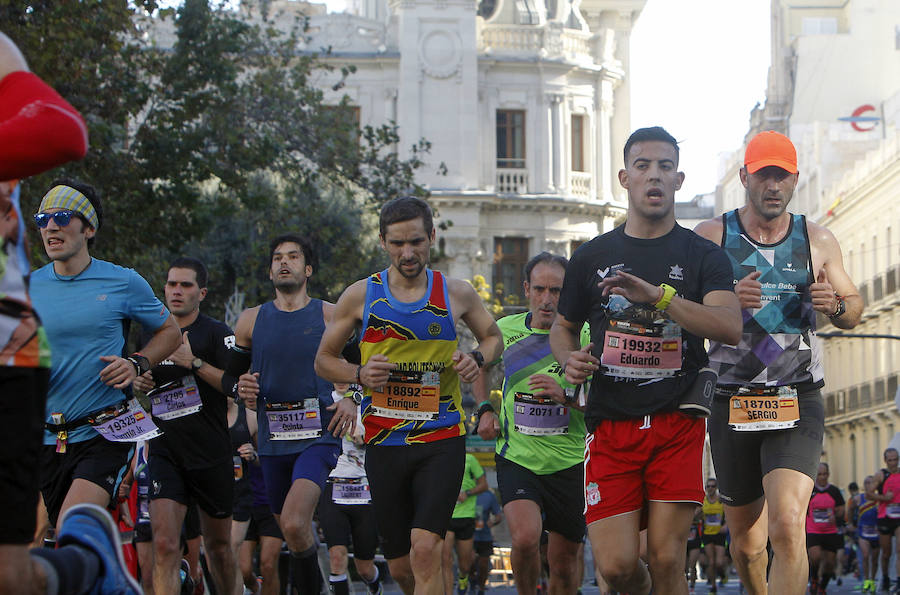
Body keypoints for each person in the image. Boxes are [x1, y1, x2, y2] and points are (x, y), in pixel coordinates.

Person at [550, 126, 742, 595]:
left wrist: (661, 297)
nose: (653, 176)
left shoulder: (704, 255)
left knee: (665, 557)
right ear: (625, 177)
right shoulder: (592, 256)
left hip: (678, 422)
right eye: (643, 166)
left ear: (678, 180)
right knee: (616, 567)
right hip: (611, 423)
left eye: (664, 167)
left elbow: (729, 326)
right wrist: (569, 360)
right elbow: (563, 327)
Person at [0, 30, 141, 595]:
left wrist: (137, 364)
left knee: (12, 574)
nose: (53, 228)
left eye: (65, 220)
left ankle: (89, 560)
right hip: (48, 424)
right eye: (46, 219)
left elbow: (61, 130)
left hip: (8, 350)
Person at [694, 130, 863, 595]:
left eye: (782, 175)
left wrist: (834, 306)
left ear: (795, 180)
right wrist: (727, 301)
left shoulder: (818, 238)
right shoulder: (711, 237)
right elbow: (684, 315)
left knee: (788, 524)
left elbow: (852, 307)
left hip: (796, 396)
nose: (773, 185)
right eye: (764, 174)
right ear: (745, 177)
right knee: (748, 546)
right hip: (732, 400)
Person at [314, 195, 503, 595]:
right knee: (401, 566)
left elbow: (492, 337)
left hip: (442, 437)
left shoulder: (456, 293)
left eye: (416, 241)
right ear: (383, 242)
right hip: (383, 441)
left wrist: (476, 358)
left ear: (431, 237)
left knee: (425, 547)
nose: (408, 252)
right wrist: (360, 373)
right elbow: (324, 361)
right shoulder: (360, 296)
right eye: (398, 243)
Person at [230, 233, 357, 595]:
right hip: (271, 442)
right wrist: (244, 388)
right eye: (277, 258)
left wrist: (352, 398)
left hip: (319, 436)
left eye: (293, 256)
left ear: (308, 268)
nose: (284, 262)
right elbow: (235, 378)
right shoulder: (250, 321)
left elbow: (365, 363)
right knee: (292, 531)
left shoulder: (330, 315)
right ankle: (317, 583)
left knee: (295, 521)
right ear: (270, 271)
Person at [475, 251, 588, 595]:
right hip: (517, 455)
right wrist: (484, 409)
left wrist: (566, 397)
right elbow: (480, 364)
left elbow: (604, 401)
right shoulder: (505, 330)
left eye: (556, 291)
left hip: (570, 461)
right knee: (524, 539)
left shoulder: (584, 335)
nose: (547, 300)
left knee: (564, 561)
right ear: (526, 288)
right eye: (539, 289)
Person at [127, 257, 237, 593]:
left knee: (218, 548)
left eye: (186, 285)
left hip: (210, 452)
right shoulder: (151, 334)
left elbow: (235, 385)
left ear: (201, 292)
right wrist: (139, 383)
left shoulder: (217, 333)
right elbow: (139, 382)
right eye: (172, 284)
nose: (177, 291)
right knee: (164, 545)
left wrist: (195, 362)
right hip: (165, 451)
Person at [318, 383, 384, 595]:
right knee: (337, 558)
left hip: (366, 487)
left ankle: (375, 586)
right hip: (334, 485)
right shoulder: (324, 399)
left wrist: (367, 437)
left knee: (364, 568)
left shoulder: (370, 398)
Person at [442, 452, 488, 595]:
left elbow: (484, 485)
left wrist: (467, 493)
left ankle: (463, 578)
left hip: (466, 516)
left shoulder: (470, 459)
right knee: (446, 559)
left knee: (465, 563)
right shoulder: (439, 460)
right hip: (446, 516)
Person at [228, 392, 259, 595]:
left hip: (241, 495)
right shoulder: (203, 417)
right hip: (212, 495)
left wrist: (253, 454)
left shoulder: (248, 416)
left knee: (230, 549)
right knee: (218, 557)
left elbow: (263, 456)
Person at [806, 463, 845, 594]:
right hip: (813, 530)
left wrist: (835, 516)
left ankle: (822, 587)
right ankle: (815, 578)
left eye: (824, 474)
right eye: (819, 474)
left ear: (828, 474)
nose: (822, 477)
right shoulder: (809, 490)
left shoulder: (834, 491)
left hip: (830, 531)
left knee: (830, 564)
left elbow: (841, 509)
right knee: (815, 557)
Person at [871, 448, 900, 592]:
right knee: (886, 553)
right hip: (885, 517)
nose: (894, 463)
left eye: (896, 459)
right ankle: (886, 577)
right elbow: (870, 494)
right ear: (885, 461)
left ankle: (899, 580)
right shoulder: (881, 475)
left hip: (899, 517)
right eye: (890, 460)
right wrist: (883, 498)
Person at [850, 476, 880, 593]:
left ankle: (872, 580)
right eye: (866, 483)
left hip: (876, 532)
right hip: (863, 531)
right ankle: (866, 580)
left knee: (875, 559)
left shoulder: (878, 499)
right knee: (866, 555)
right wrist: (851, 522)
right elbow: (850, 508)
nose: (868, 485)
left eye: (871, 482)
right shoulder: (859, 498)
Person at [472, 489, 503, 595]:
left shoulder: (489, 495)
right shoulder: (465, 492)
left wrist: (493, 522)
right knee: (469, 562)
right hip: (469, 535)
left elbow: (498, 516)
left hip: (485, 536)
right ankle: (471, 582)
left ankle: (481, 588)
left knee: (483, 564)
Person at [701, 478, 727, 593]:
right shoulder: (703, 500)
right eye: (708, 487)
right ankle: (713, 587)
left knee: (719, 563)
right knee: (711, 562)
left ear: (716, 487)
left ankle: (722, 575)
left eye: (712, 486)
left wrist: (726, 525)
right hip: (707, 534)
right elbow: (697, 516)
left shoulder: (721, 501)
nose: (710, 488)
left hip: (719, 534)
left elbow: (730, 515)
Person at [685, 507, 703, 593]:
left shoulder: (699, 507)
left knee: (692, 565)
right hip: (683, 540)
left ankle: (692, 586)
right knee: (684, 567)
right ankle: (684, 586)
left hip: (695, 539)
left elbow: (700, 514)